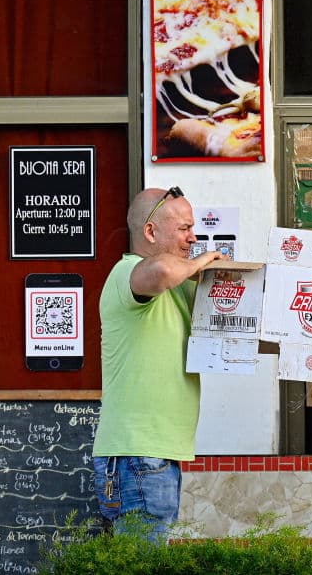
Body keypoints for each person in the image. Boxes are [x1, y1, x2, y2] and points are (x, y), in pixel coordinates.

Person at [91, 186, 229, 540]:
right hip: (138, 454)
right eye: (184, 228)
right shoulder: (127, 273)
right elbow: (163, 271)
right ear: (150, 232)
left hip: (153, 455)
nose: (193, 238)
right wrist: (204, 261)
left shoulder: (179, 286)